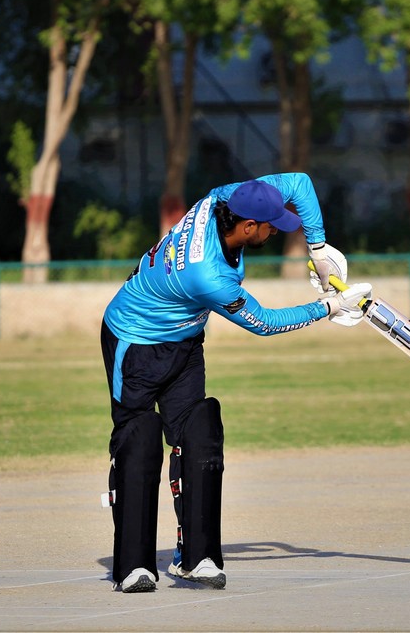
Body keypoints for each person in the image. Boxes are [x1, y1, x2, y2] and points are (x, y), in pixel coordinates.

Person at [100, 173, 372, 592]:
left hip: (185, 339)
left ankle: (197, 557)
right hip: (134, 341)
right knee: (139, 437)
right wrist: (329, 307)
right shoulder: (207, 274)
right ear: (247, 227)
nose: (275, 232)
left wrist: (319, 252)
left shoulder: (222, 198)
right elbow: (264, 323)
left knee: (200, 432)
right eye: (270, 227)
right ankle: (133, 566)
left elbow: (299, 183)